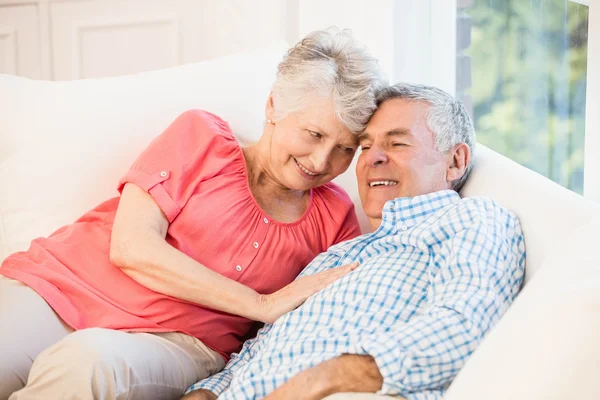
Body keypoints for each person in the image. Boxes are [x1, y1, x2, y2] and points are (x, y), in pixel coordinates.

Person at [0, 28, 388, 400]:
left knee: (88, 365)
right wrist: (261, 304)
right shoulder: (201, 136)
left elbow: (331, 315)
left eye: (345, 148)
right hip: (62, 286)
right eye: (314, 134)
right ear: (273, 106)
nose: (322, 161)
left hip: (176, 343)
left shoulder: (335, 218)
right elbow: (131, 247)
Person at [183, 83, 526, 400]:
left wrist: (326, 378)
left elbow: (462, 327)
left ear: (456, 161)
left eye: (397, 143)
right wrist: (205, 393)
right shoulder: (338, 254)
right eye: (365, 146)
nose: (372, 159)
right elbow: (257, 349)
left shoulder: (473, 220)